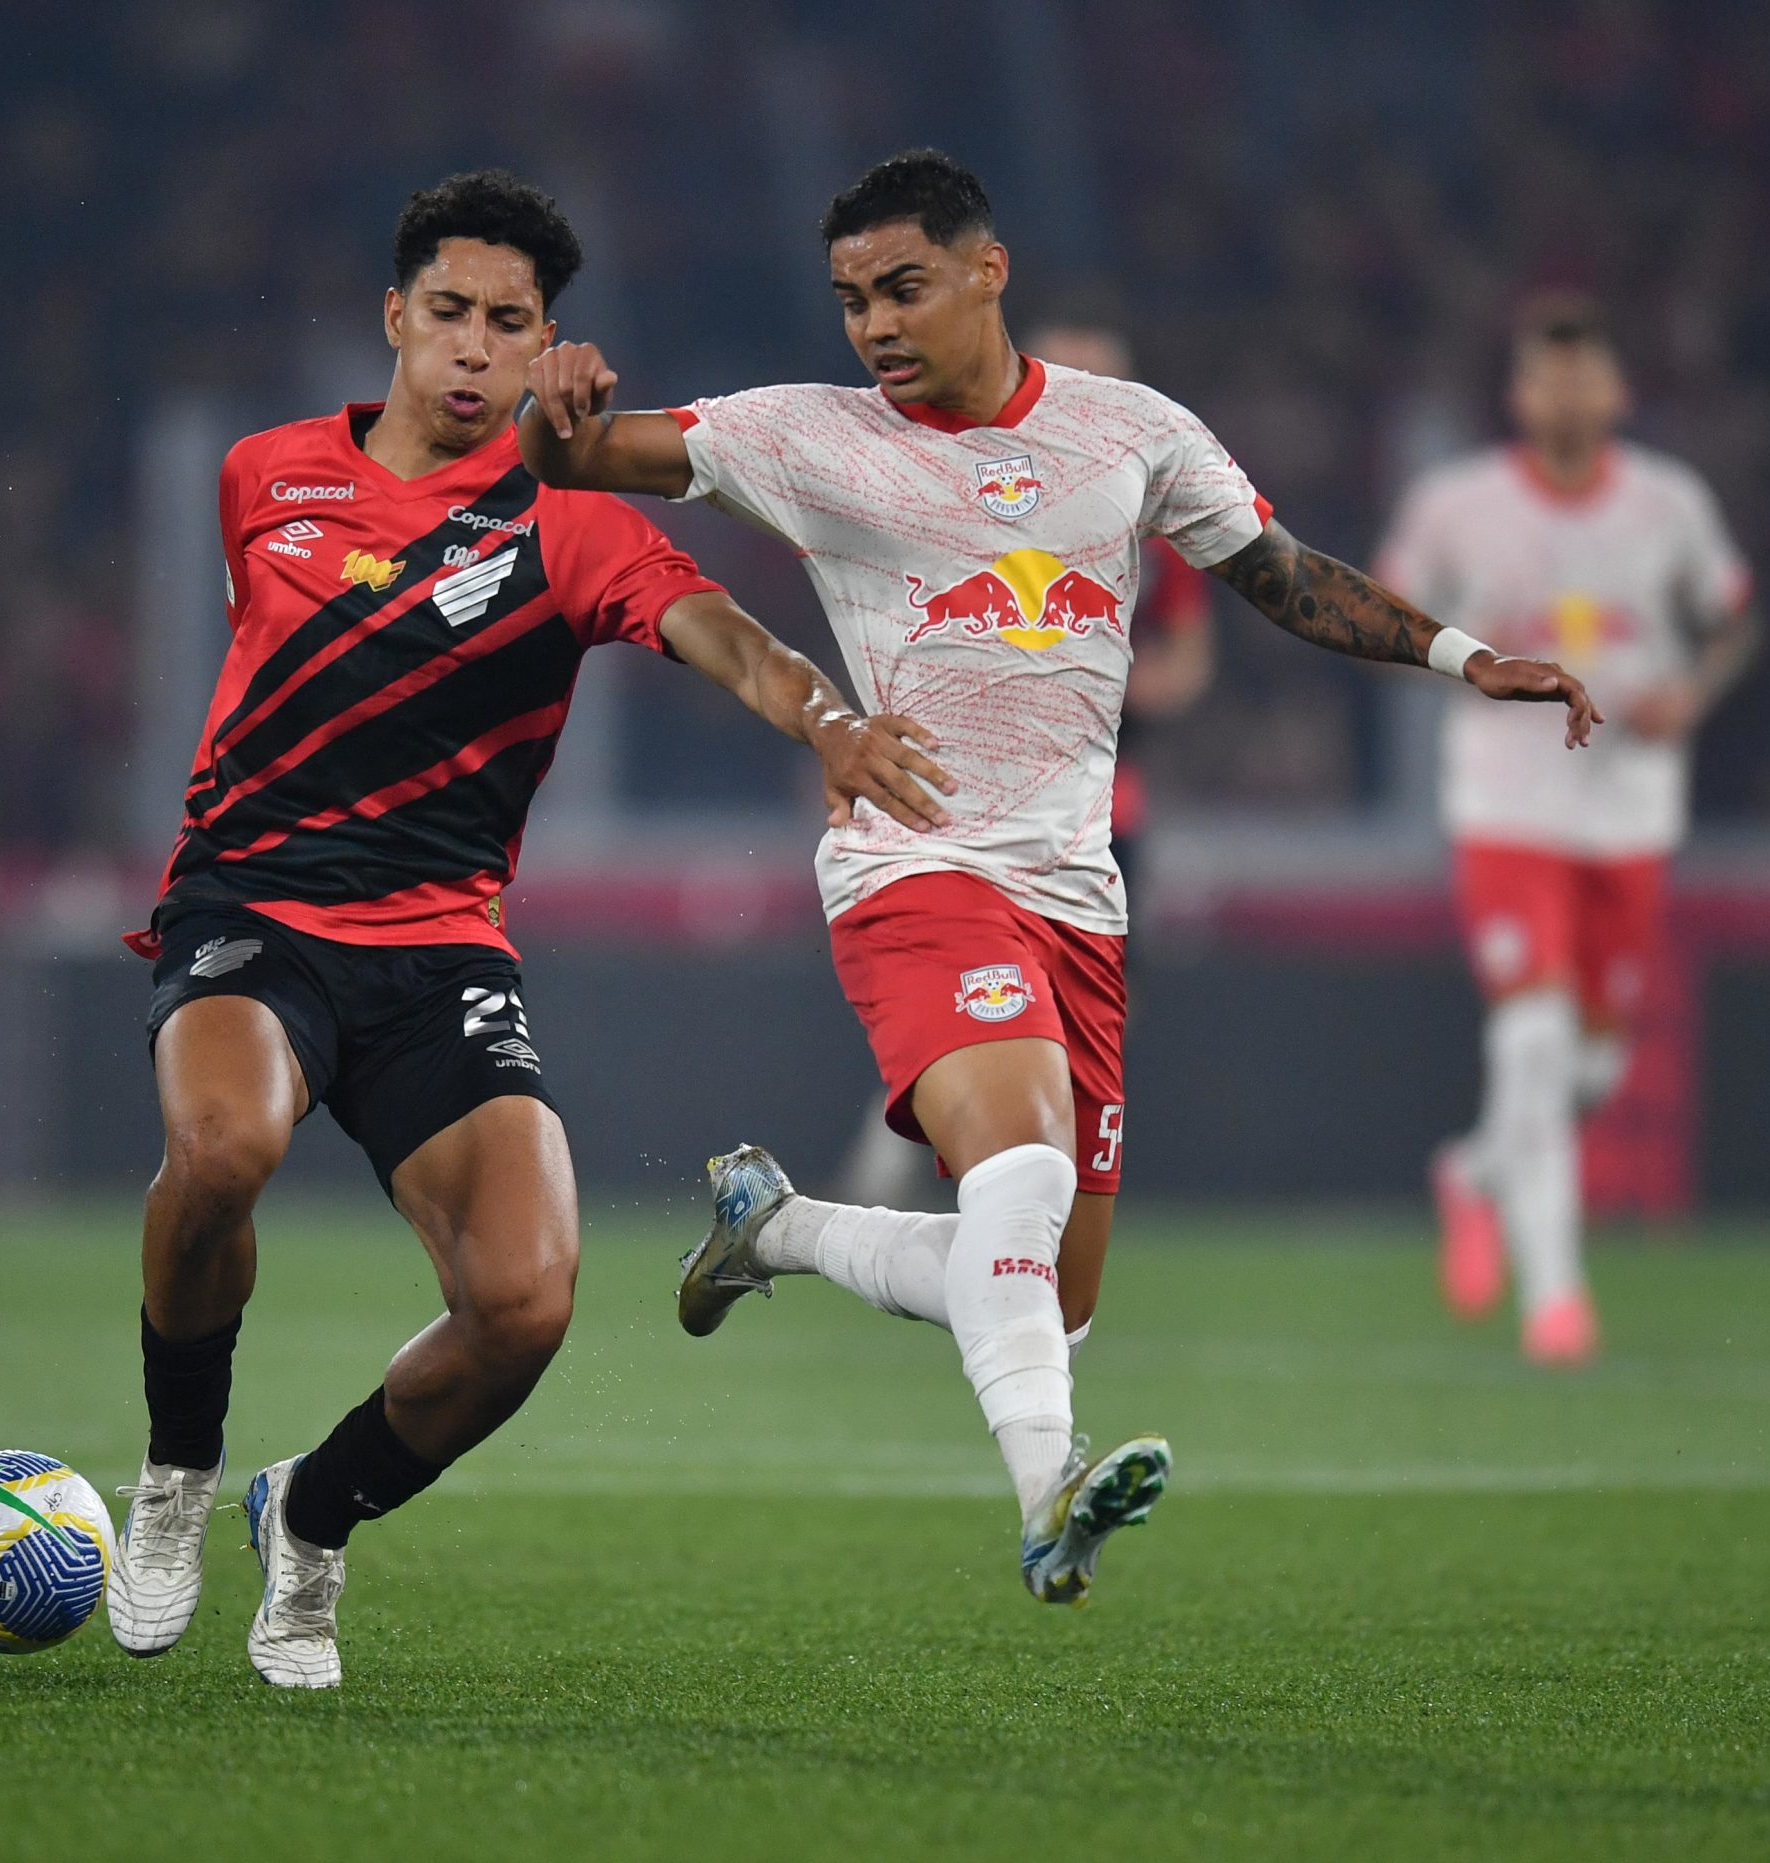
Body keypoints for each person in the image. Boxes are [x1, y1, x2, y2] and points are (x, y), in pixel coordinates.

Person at [519, 150, 1599, 1603]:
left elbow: (1281, 573)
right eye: (851, 301)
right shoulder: (808, 436)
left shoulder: (1131, 434)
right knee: (1018, 1164)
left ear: (988, 268)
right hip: (915, 862)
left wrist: (1468, 659)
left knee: (1048, 1286)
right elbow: (583, 459)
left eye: (903, 287)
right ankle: (1050, 1493)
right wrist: (552, 409)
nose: (877, 327)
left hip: (1076, 894)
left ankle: (776, 1225)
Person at [109, 170, 943, 1689]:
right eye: (449, 314)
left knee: (523, 1302)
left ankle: (307, 1512)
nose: (475, 346)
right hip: (255, 909)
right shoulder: (263, 477)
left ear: (547, 339)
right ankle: (171, 1475)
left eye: (510, 322)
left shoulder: (566, 524)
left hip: (440, 950)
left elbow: (726, 639)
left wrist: (822, 718)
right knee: (222, 1150)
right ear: (394, 320)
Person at [1378, 292, 1758, 1367]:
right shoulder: (1456, 504)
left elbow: (1731, 619)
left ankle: (1473, 1172)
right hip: (1506, 806)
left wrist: (1691, 689)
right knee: (1534, 1042)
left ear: (1616, 391)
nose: (1565, 394)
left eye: (1583, 374)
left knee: (1588, 1069)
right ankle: (1556, 1297)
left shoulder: (1668, 504)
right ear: (1517, 393)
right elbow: (1385, 615)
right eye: (1546, 375)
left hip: (1629, 813)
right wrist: (1464, 662)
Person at [834, 310, 1213, 1207]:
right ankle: (945, 1164)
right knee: (976, 988)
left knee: (1095, 1006)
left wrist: (1101, 676)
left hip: (1104, 806)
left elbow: (1189, 662)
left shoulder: (1148, 516)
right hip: (974, 800)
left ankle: (1033, 1180)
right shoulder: (959, 495)